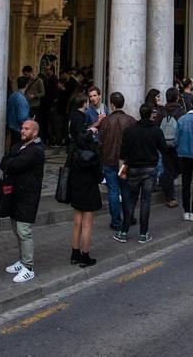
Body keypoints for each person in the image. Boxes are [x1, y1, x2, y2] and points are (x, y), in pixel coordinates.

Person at [116, 103, 170, 243]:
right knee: (146, 201)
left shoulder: (130, 130)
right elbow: (164, 150)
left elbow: (123, 153)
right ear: (151, 114)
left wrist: (122, 169)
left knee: (130, 201)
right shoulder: (156, 131)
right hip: (150, 169)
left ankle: (123, 231)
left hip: (133, 169)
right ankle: (143, 233)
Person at [1, 119, 45, 281]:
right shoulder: (19, 146)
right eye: (22, 128)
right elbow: (3, 163)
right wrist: (10, 162)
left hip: (28, 196)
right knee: (17, 230)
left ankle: (28, 267)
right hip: (15, 195)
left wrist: (10, 162)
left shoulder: (36, 150)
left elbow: (15, 164)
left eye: (27, 129)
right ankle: (22, 260)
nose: (22, 131)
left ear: (35, 133)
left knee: (24, 231)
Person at [66, 97, 103, 267]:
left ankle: (74, 253)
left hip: (77, 187)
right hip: (89, 188)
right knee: (87, 224)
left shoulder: (73, 154)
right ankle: (85, 255)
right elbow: (98, 175)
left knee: (77, 223)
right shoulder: (94, 156)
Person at [96, 92, 134, 233]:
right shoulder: (130, 121)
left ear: (112, 105)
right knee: (125, 190)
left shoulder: (106, 121)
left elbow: (100, 142)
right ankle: (128, 218)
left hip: (109, 160)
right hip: (124, 162)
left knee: (113, 190)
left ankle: (116, 221)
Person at [6, 79, 31, 151]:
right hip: (19, 128)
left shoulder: (13, 95)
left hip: (12, 125)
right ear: (26, 85)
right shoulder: (22, 99)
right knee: (18, 149)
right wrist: (31, 120)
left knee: (13, 147)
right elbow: (22, 118)